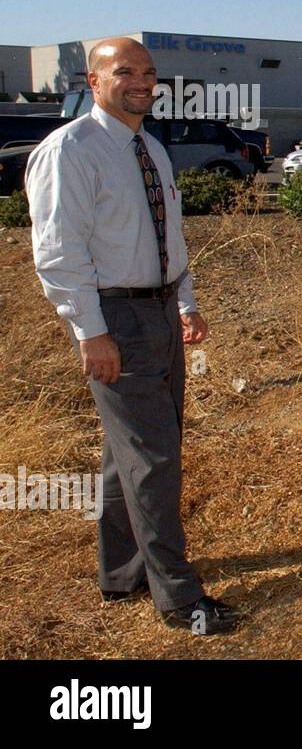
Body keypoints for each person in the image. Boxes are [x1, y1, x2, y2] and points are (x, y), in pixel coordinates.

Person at [25, 37, 240, 633]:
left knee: (132, 454)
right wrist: (92, 334)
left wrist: (186, 304)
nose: (142, 81)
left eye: (149, 72)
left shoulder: (151, 148)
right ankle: (180, 599)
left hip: (161, 314)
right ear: (92, 82)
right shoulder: (70, 152)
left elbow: (168, 236)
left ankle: (122, 573)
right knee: (155, 459)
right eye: (125, 71)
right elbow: (58, 254)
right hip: (115, 320)